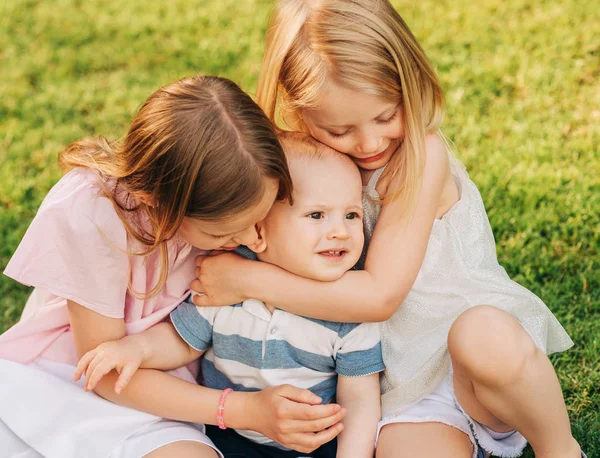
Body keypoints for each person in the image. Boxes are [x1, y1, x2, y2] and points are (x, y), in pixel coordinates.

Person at [189, 2, 586, 458]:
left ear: (410, 82)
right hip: (386, 382)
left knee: (483, 335)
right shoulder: (296, 162)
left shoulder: (421, 156)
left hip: (464, 365)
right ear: (299, 113)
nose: (370, 143)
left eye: (384, 116)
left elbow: (380, 296)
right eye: (339, 130)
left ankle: (560, 449)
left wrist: (244, 280)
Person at [0, 75, 346, 458]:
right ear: (159, 201)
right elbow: (105, 373)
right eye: (226, 233)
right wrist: (245, 411)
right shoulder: (95, 214)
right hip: (76, 375)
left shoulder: (242, 187)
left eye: (258, 219)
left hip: (171, 382)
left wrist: (249, 275)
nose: (252, 238)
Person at [73, 132, 384, 458]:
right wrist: (135, 348)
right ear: (259, 227)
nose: (340, 231)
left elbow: (360, 401)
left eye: (351, 215)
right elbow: (184, 341)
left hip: (313, 445)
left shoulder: (347, 307)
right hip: (228, 436)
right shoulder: (226, 284)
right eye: (317, 215)